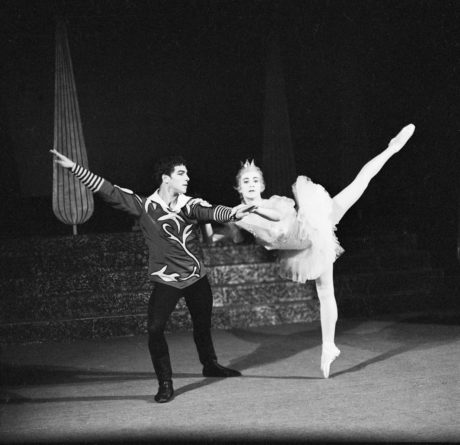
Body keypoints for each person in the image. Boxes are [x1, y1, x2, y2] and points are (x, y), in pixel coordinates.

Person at [51, 149, 256, 403]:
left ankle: (210, 364)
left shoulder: (189, 204)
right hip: (167, 280)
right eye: (181, 173)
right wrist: (74, 167)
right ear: (165, 178)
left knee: (202, 324)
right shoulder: (145, 206)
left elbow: (212, 211)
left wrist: (234, 213)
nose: (187, 177)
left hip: (195, 277)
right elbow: (108, 190)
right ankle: (165, 382)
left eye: (187, 173)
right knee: (155, 328)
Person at [232, 124, 415, 378]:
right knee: (325, 292)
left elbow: (277, 219)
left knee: (358, 185)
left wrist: (254, 211)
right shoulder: (237, 215)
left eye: (255, 180)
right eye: (246, 181)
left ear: (262, 185)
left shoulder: (272, 203)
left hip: (313, 227)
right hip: (302, 250)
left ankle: (392, 148)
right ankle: (328, 346)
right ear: (239, 188)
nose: (251, 184)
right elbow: (222, 227)